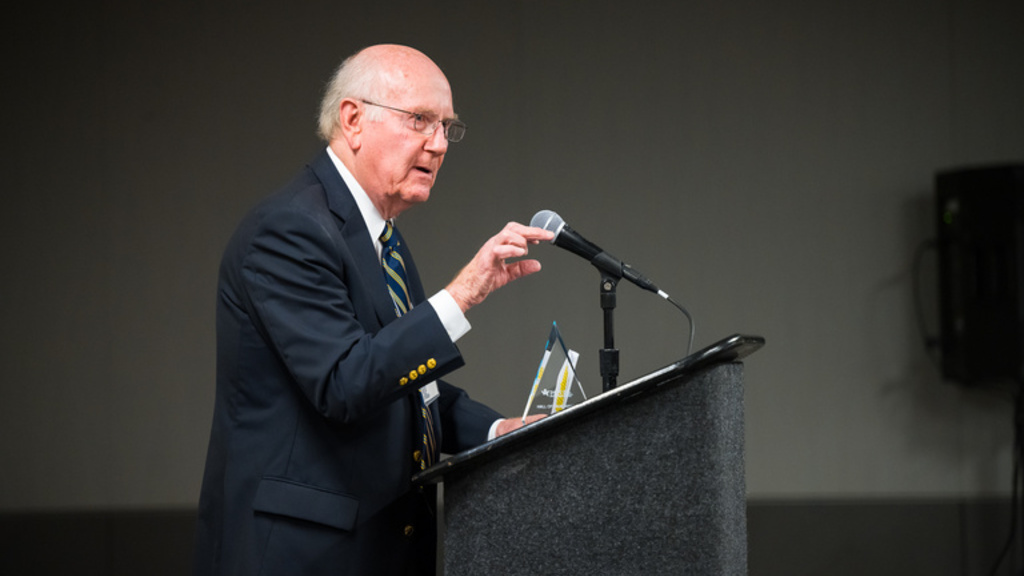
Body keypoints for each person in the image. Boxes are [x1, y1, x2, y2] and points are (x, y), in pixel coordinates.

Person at [192, 44, 552, 576]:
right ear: (353, 119)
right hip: (300, 555)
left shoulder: (383, 239)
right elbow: (346, 381)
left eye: (447, 127)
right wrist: (462, 294)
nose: (438, 144)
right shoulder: (288, 230)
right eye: (420, 120)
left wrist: (498, 431)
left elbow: (405, 388)